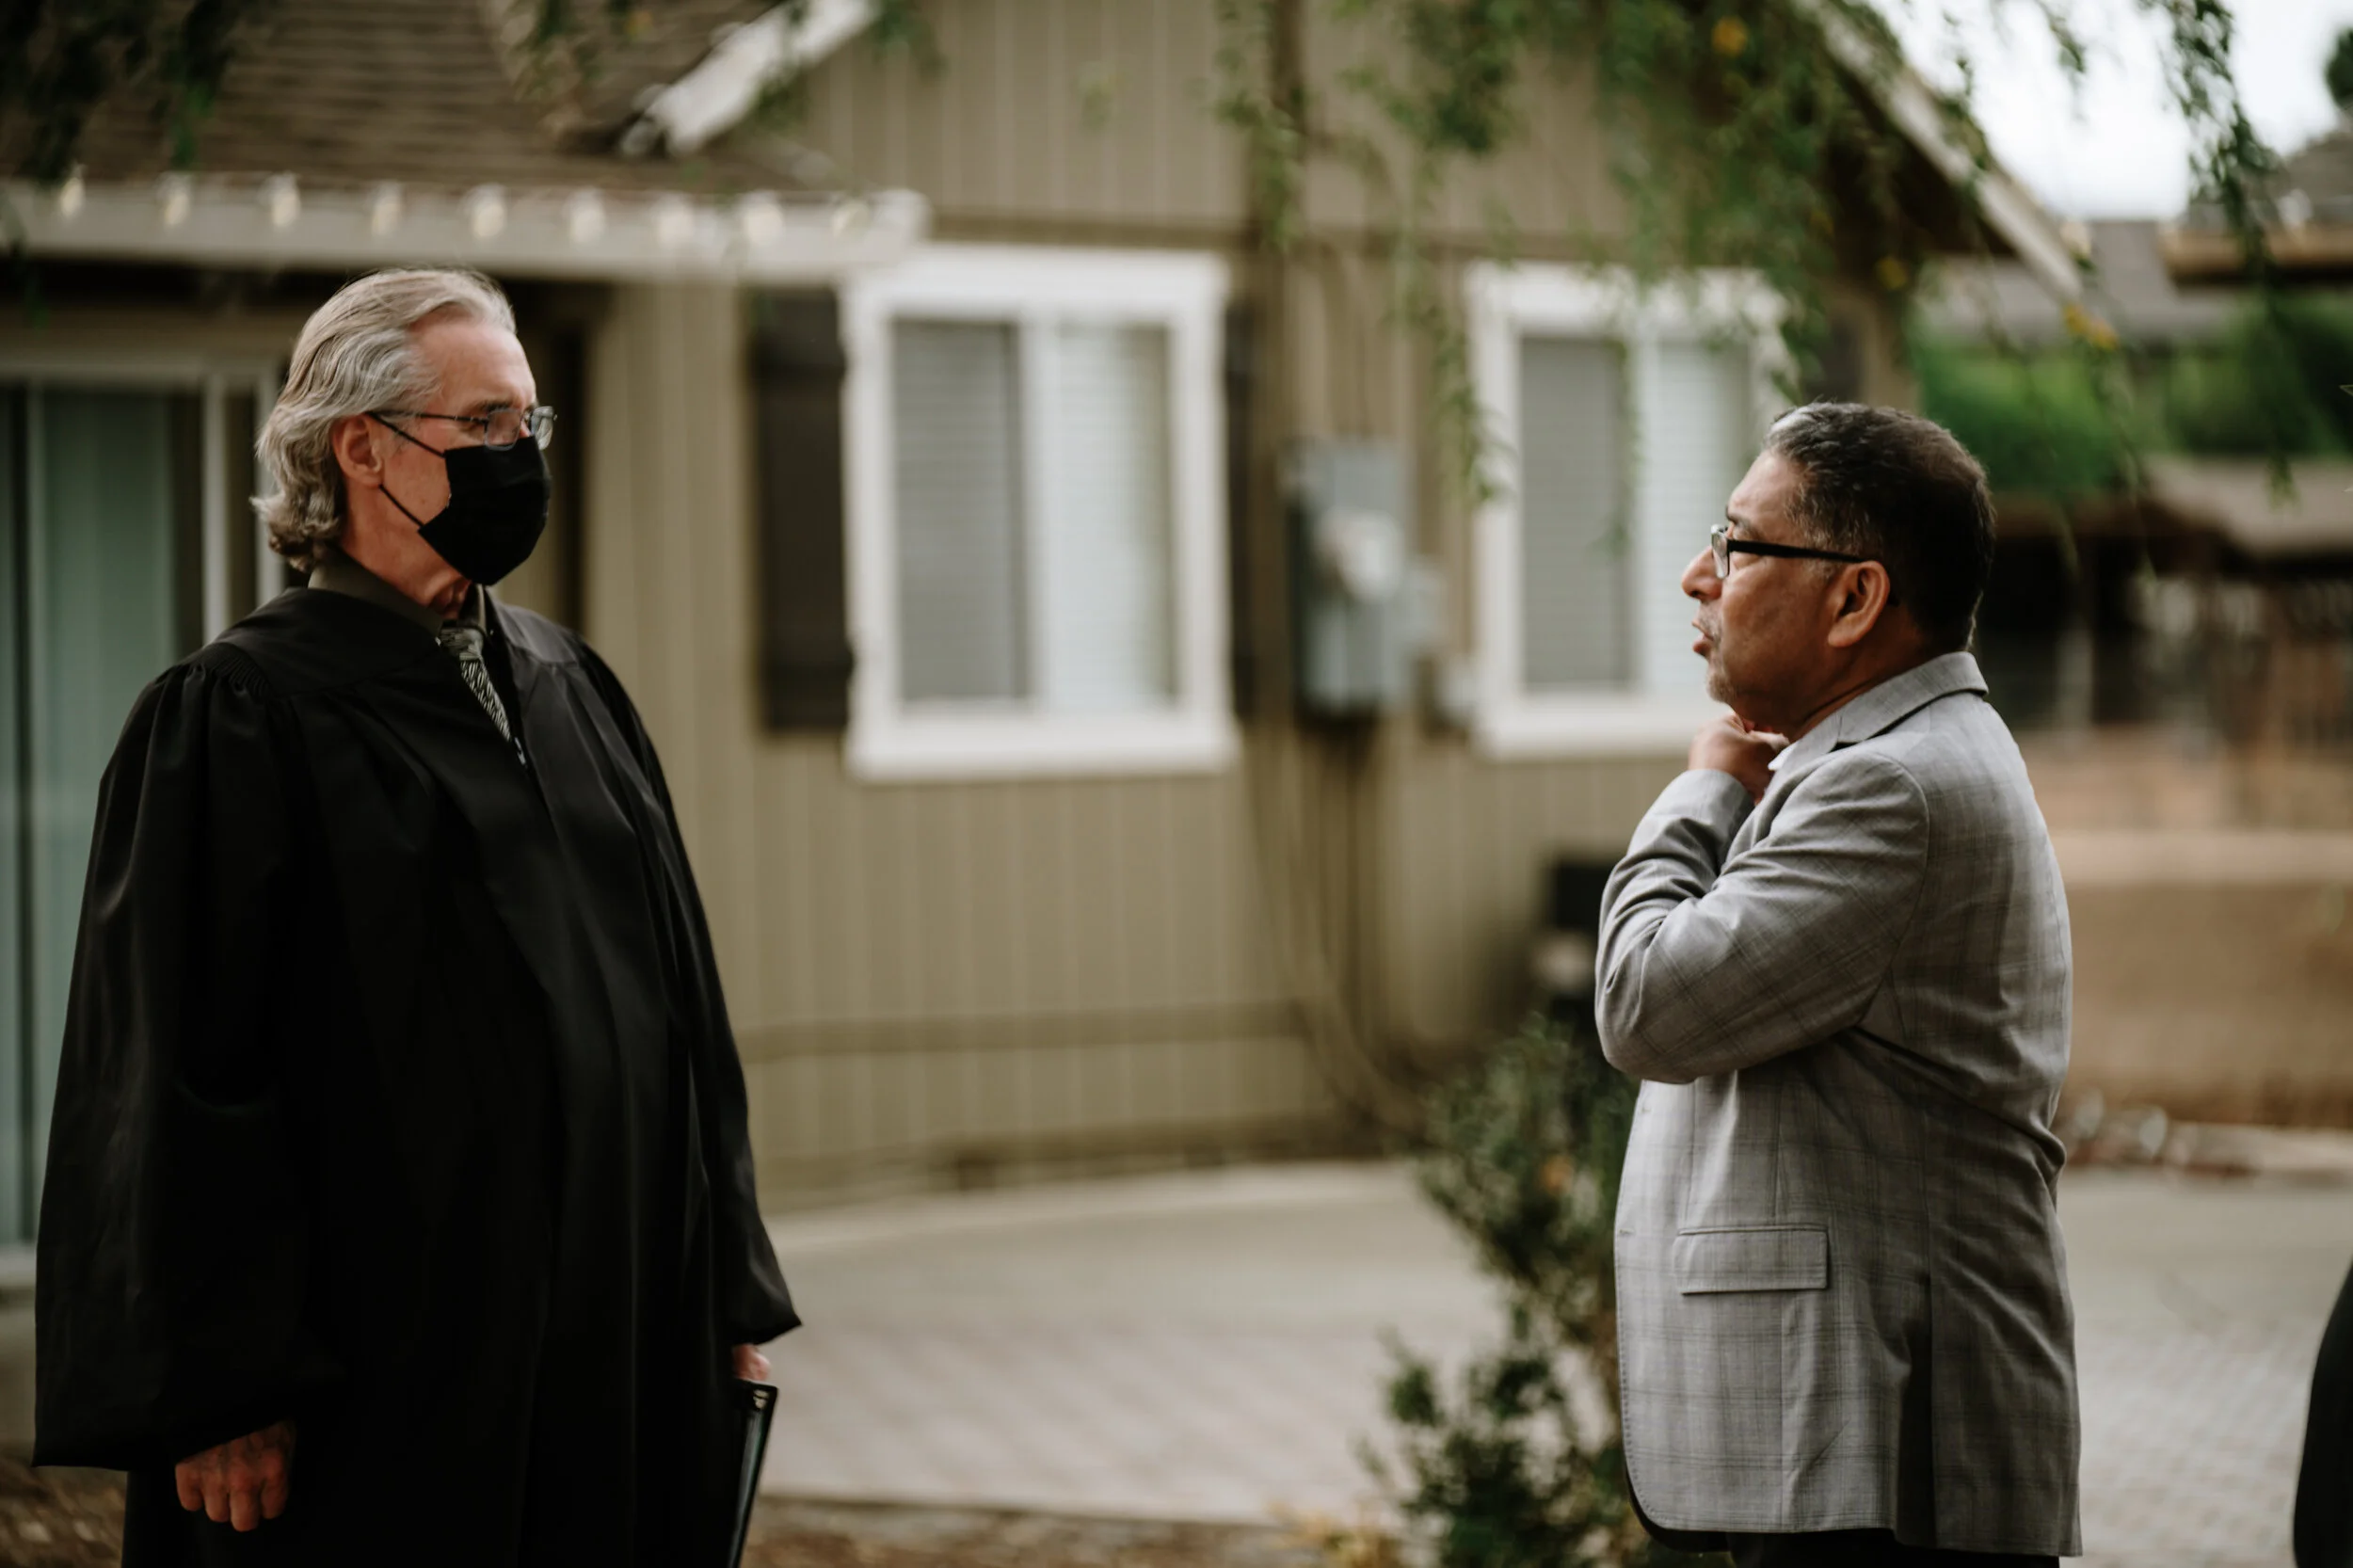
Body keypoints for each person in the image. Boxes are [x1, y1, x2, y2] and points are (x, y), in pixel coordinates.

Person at [34, 268, 796, 1565]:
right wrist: (220, 1384)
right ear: (362, 448)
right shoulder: (239, 716)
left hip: (613, 1336)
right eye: (484, 422)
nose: (521, 454)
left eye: (529, 422)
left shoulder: (569, 683)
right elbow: (171, 1072)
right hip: (387, 1366)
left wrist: (723, 1283)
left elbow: (682, 1008)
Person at [1595, 404, 2078, 1566]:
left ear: (1855, 598)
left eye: (1736, 543)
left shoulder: (1891, 787)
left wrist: (1704, 787)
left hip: (1875, 1461)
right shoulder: (1886, 761)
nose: (1696, 576)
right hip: (1846, 1457)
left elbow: (1645, 1001)